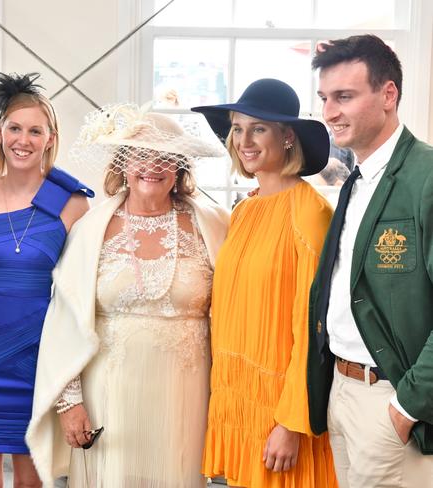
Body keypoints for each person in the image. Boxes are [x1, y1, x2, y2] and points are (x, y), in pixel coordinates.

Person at [26, 103, 230, 487]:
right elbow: (65, 319)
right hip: (108, 395)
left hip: (185, 396)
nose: (152, 165)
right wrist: (69, 404)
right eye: (140, 155)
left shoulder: (214, 224)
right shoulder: (91, 229)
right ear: (121, 164)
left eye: (164, 156)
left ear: (180, 166)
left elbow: (237, 310)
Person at [192, 78, 337, 487]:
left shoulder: (310, 213)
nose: (244, 140)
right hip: (240, 403)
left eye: (258, 128)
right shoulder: (244, 211)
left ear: (288, 136)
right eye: (237, 129)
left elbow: (313, 329)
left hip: (281, 414)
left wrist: (291, 424)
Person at [307, 34, 433, 488]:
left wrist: (407, 407)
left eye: (344, 96)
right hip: (341, 393)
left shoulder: (427, 176)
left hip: (391, 400)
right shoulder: (353, 181)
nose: (329, 113)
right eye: (324, 98)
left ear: (388, 94)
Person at [0, 72, 93, 488]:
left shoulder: (71, 203)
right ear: (0, 133)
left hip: (38, 353)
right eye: (15, 128)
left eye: (36, 131)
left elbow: (82, 291)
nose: (24, 139)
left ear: (50, 138)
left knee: (33, 479)